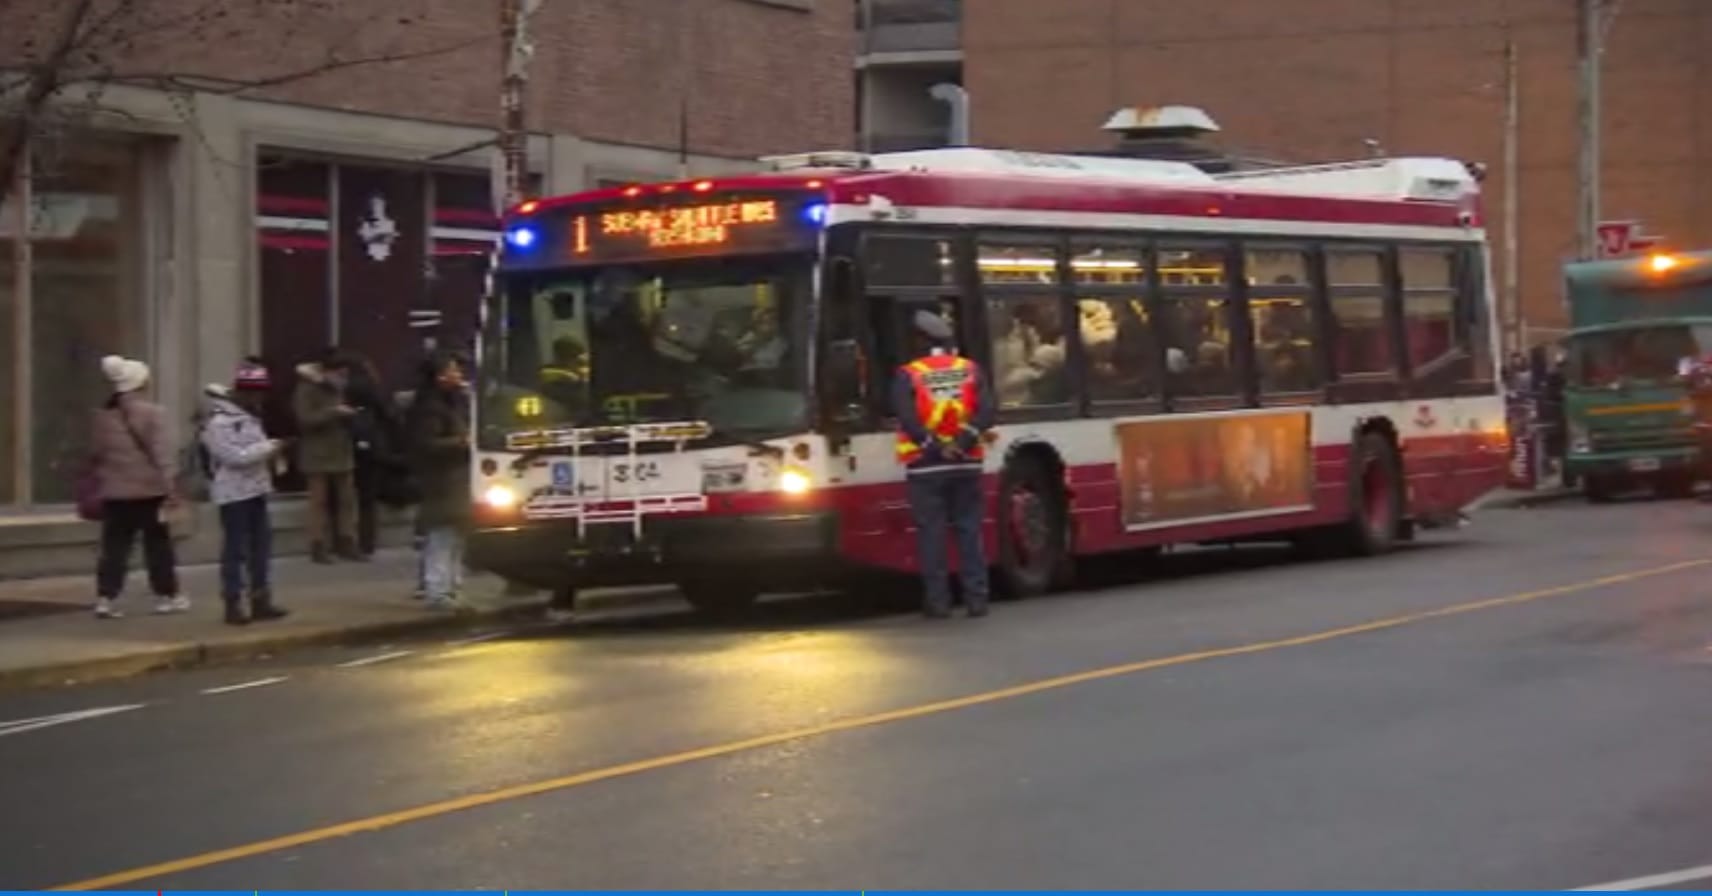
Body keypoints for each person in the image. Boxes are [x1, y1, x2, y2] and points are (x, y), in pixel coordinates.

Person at [892, 310, 996, 619]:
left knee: (932, 535)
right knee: (968, 531)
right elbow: (987, 411)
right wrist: (961, 443)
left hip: (926, 467)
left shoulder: (908, 374)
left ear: (919, 342)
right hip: (966, 464)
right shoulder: (970, 369)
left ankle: (938, 603)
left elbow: (907, 418)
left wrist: (934, 447)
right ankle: (977, 600)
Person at [89, 355, 187, 619]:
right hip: (149, 491)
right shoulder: (153, 413)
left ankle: (105, 597)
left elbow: (97, 453)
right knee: (157, 545)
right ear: (142, 382)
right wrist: (172, 487)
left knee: (114, 548)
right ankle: (166, 595)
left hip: (114, 492)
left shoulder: (103, 416)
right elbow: (162, 453)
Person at [200, 359, 290, 626]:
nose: (259, 398)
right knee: (236, 549)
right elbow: (234, 457)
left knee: (260, 547)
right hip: (232, 494)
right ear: (243, 392)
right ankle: (233, 602)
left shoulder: (250, 418)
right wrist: (272, 447)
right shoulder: (219, 423)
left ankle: (260, 598)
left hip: (256, 489)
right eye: (255, 392)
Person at [407, 351, 473, 610]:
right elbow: (426, 444)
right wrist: (462, 442)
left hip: (454, 478)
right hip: (442, 480)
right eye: (452, 370)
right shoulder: (430, 408)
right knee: (442, 535)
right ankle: (437, 589)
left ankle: (450, 586)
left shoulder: (453, 402)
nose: (459, 375)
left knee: (455, 535)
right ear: (439, 376)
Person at [293, 351, 359, 563]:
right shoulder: (306, 388)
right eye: (339, 372)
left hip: (341, 449)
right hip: (317, 451)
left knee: (347, 499)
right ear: (326, 370)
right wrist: (333, 412)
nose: (342, 377)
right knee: (318, 501)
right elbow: (304, 419)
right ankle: (318, 544)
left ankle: (347, 540)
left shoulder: (341, 388)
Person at [343, 353, 407, 560]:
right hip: (372, 447)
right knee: (368, 500)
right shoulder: (370, 388)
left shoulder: (345, 389)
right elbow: (387, 414)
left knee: (355, 497)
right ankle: (367, 542)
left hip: (350, 447)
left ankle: (349, 540)